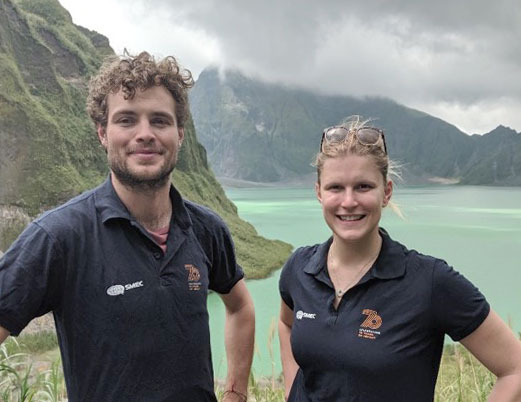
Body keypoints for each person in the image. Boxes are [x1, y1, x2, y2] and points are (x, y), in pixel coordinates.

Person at [0, 51, 254, 402]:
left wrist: (236, 393)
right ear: (103, 133)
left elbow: (240, 307)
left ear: (180, 134)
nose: (145, 134)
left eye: (160, 121)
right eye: (127, 120)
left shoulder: (207, 229)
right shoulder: (59, 236)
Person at [278, 116, 521, 401]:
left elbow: (514, 369)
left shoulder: (429, 282)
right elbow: (286, 324)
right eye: (335, 188)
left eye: (363, 186)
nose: (349, 201)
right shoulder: (299, 268)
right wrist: (292, 391)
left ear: (386, 192)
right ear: (319, 192)